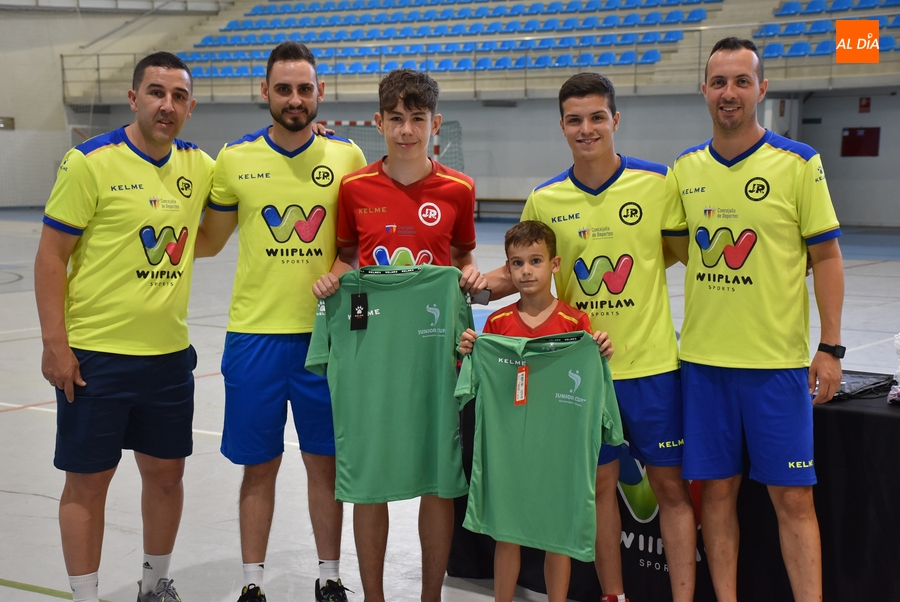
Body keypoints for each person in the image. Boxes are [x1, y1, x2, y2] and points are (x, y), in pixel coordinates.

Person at [484, 72, 698, 602]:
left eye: (596, 117)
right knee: (602, 490)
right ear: (561, 126)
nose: (586, 129)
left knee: (671, 487)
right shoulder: (546, 198)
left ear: (615, 120)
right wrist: (472, 285)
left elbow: (683, 255)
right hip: (582, 374)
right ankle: (614, 595)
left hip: (650, 369)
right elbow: (523, 271)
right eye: (575, 120)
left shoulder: (657, 184)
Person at [34, 52, 213, 602]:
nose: (167, 105)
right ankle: (85, 595)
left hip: (167, 359)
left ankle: (154, 584)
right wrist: (55, 345)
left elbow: (254, 179)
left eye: (178, 96)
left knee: (166, 477)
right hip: (95, 359)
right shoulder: (89, 162)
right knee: (88, 483)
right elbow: (50, 256)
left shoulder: (200, 166)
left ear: (190, 107)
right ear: (134, 98)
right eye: (156, 93)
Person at [194, 41, 367, 602]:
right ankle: (251, 584)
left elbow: (360, 246)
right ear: (263, 91)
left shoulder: (348, 158)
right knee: (259, 467)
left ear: (321, 93)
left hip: (327, 340)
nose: (295, 99)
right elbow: (206, 243)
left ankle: (329, 576)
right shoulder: (234, 159)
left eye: (305, 88)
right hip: (255, 339)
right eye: (284, 88)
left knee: (325, 464)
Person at [673, 37, 843, 602]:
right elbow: (662, 250)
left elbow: (827, 257)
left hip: (776, 367)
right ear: (704, 90)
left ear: (762, 89)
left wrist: (832, 347)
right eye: (719, 82)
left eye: (742, 81)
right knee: (715, 494)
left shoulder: (798, 163)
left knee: (794, 499)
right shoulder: (685, 170)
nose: (729, 93)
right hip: (704, 365)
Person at [312, 68, 486, 602]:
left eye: (417, 119)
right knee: (370, 481)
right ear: (378, 122)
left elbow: (461, 258)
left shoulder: (459, 189)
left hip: (435, 352)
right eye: (396, 119)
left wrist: (474, 275)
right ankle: (374, 597)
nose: (406, 130)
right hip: (373, 352)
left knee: (437, 481)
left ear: (435, 124)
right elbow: (347, 257)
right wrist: (332, 280)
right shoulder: (355, 187)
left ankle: (430, 596)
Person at [458, 220, 613, 602]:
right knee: (507, 535)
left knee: (556, 538)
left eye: (536, 261)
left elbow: (592, 377)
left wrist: (600, 351)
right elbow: (471, 384)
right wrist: (468, 351)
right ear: (508, 269)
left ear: (555, 264)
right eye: (517, 263)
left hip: (556, 451)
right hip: (510, 451)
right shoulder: (495, 325)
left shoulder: (576, 325)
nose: (526, 271)